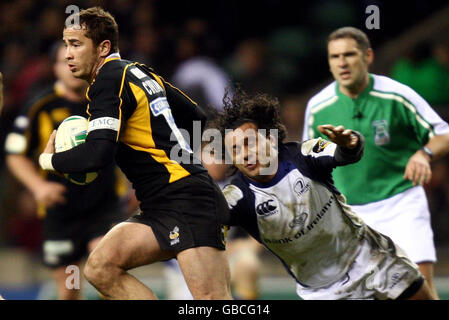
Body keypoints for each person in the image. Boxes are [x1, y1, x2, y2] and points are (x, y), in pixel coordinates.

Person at [39, 7, 232, 300]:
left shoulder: (107, 80)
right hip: (162, 203)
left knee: (212, 302)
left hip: (189, 202)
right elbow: (195, 116)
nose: (67, 54)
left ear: (103, 47)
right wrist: (179, 159)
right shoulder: (139, 71)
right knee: (101, 267)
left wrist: (49, 160)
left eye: (76, 44)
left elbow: (97, 155)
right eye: (66, 44)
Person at [214, 88, 434, 300]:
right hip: (324, 291)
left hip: (371, 256)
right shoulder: (236, 197)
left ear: (270, 139)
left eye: (249, 143)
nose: (244, 154)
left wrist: (351, 143)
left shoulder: (303, 154)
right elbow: (205, 221)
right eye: (235, 149)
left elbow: (344, 153)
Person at [302, 27, 449, 299]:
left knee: (420, 289)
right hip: (351, 216)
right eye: (335, 57)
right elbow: (311, 155)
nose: (342, 62)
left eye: (349, 54)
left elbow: (443, 133)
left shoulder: (396, 95)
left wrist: (423, 154)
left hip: (401, 202)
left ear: (368, 56)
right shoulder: (318, 106)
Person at [4, 42, 127, 300]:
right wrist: (38, 187)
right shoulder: (40, 106)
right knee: (70, 287)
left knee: (107, 268)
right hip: (61, 212)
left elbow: (128, 146)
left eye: (76, 59)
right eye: (64, 61)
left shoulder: (106, 102)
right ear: (55, 68)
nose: (71, 66)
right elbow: (15, 156)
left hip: (102, 206)